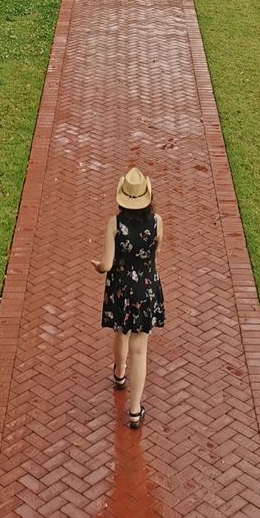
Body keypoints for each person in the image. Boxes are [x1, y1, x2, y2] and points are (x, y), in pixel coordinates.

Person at [93, 166, 165, 429]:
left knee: (120, 331)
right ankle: (135, 411)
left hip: (121, 290)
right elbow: (156, 252)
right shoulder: (157, 222)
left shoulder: (115, 224)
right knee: (140, 349)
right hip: (146, 290)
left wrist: (98, 266)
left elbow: (107, 264)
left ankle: (119, 374)